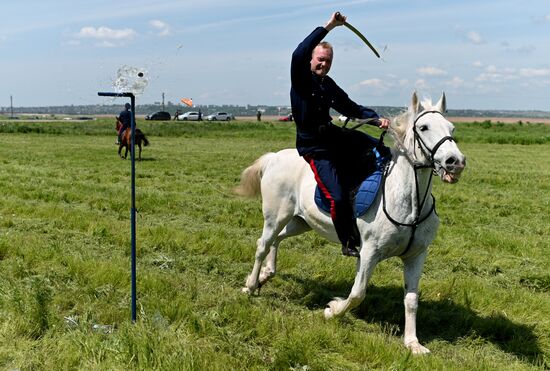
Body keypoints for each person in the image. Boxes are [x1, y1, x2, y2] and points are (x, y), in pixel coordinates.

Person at [290, 11, 390, 258]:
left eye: (328, 61)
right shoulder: (301, 78)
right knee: (336, 196)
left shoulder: (328, 85)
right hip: (314, 147)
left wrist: (376, 119)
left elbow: (351, 107)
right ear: (312, 59)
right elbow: (298, 54)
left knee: (377, 148)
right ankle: (348, 240)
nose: (324, 64)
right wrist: (330, 26)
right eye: (320, 59)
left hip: (333, 136)